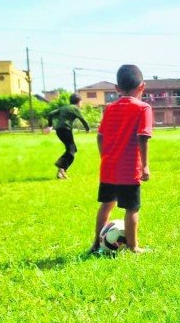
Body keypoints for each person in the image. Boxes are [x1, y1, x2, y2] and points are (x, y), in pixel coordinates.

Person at [89, 64, 153, 255]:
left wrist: (105, 157)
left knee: (106, 204)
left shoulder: (109, 108)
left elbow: (100, 136)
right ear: (142, 86)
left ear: (117, 89)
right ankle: (134, 247)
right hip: (129, 169)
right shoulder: (143, 108)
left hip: (108, 168)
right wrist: (145, 165)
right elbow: (143, 136)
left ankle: (95, 244)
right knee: (132, 208)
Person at [45, 93, 90, 179]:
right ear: (78, 102)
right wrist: (87, 129)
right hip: (65, 129)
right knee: (71, 151)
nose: (81, 104)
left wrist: (50, 125)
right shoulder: (75, 108)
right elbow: (83, 119)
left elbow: (50, 114)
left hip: (59, 130)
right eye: (81, 102)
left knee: (72, 149)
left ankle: (60, 171)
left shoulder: (64, 108)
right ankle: (61, 168)